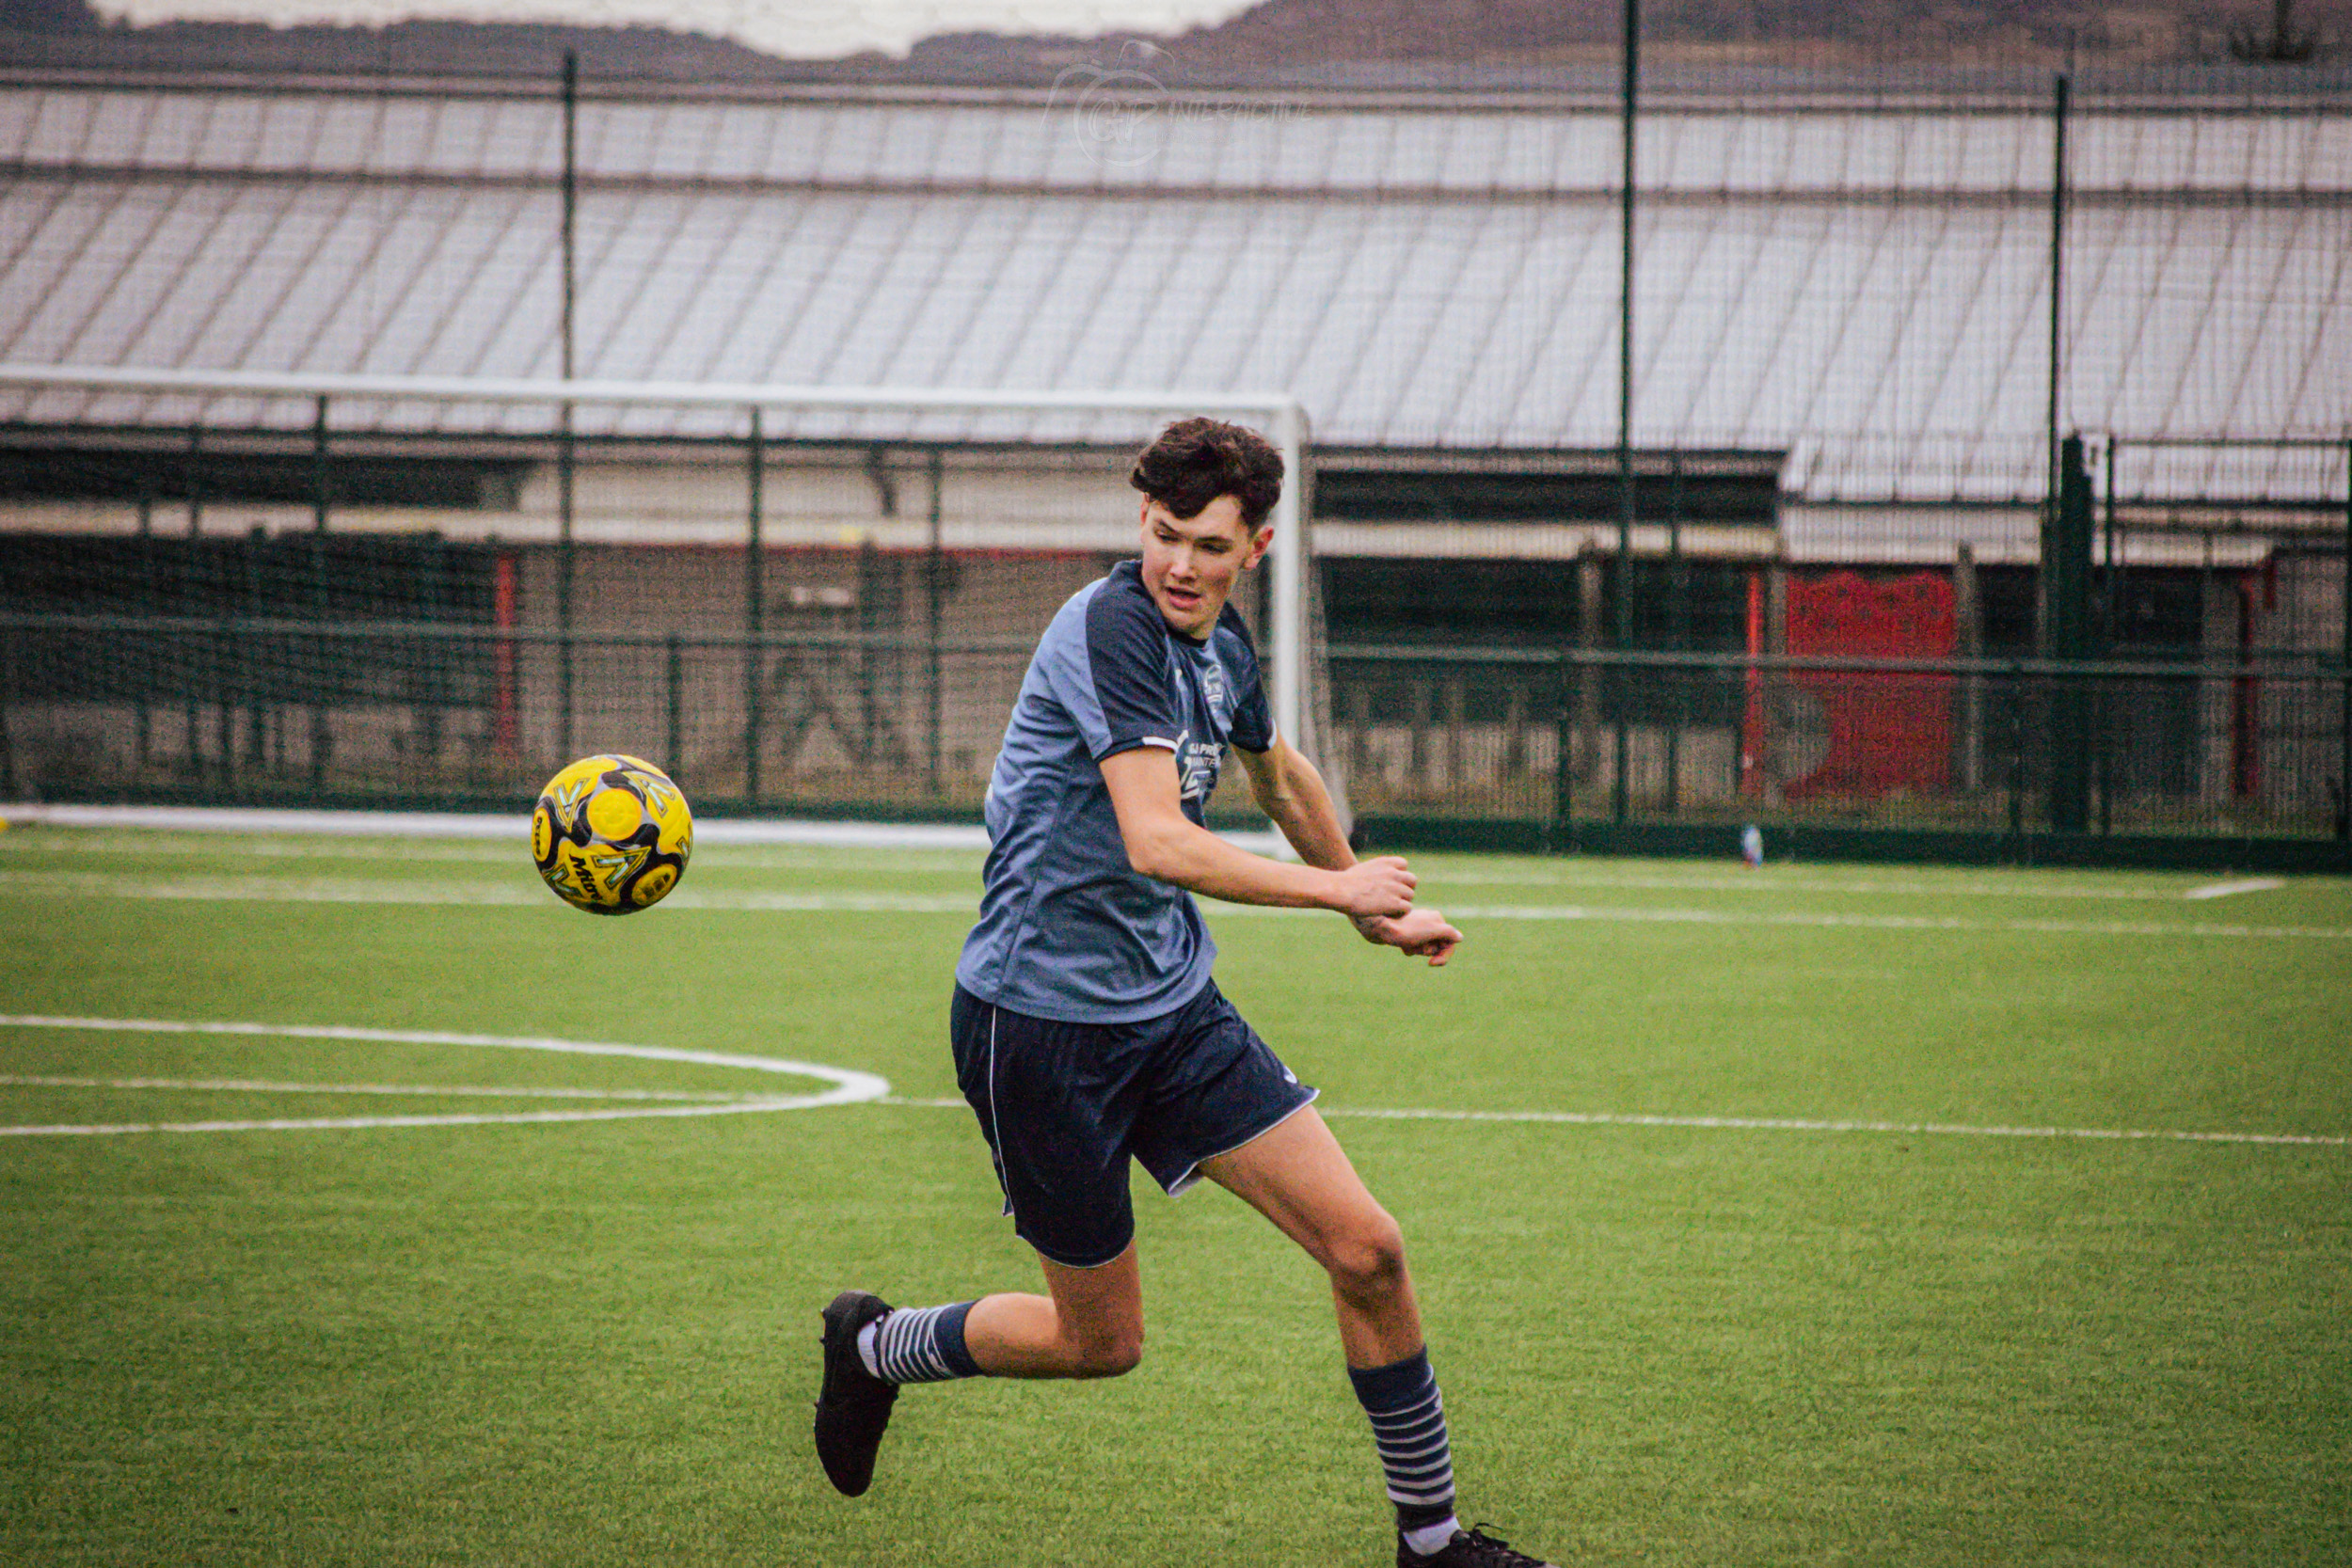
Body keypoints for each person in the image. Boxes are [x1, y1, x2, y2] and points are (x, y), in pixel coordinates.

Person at [813, 418, 1556, 1568]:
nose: (1180, 565)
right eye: (1164, 536)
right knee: (1098, 1341)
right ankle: (875, 1345)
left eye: (1208, 545)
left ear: (1252, 546)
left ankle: (1433, 1540)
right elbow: (1158, 840)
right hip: (1040, 1026)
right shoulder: (1112, 626)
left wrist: (1365, 896)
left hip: (1170, 1009)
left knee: (1368, 1251)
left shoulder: (1222, 641)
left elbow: (1278, 769)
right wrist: (1339, 893)